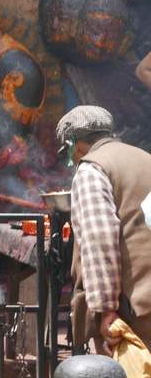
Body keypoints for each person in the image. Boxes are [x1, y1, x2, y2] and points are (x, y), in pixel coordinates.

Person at [60, 105, 151, 351]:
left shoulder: (91, 169)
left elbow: (98, 240)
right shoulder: (145, 159)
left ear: (75, 144)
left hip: (135, 312)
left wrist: (106, 310)